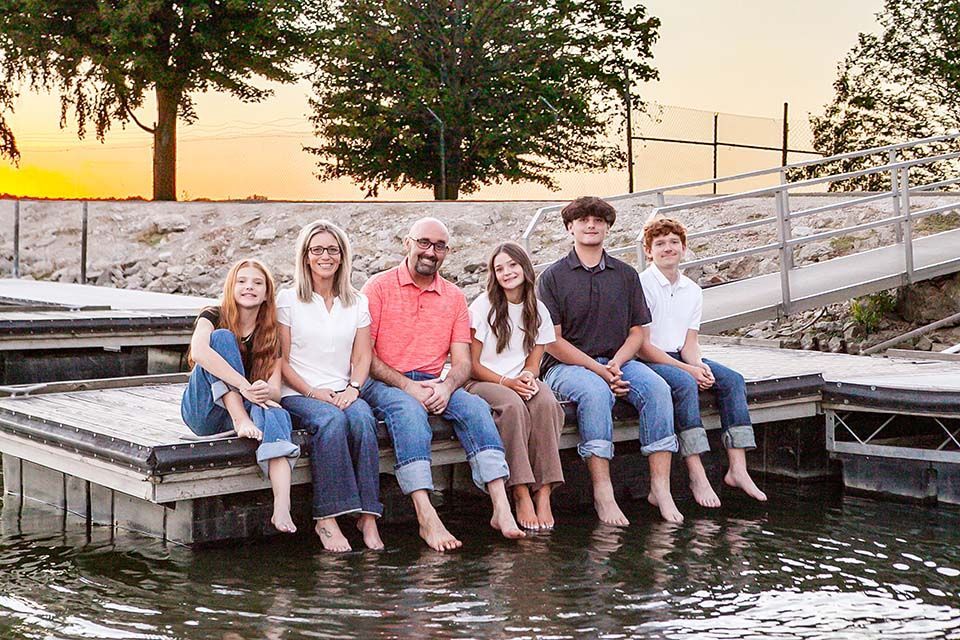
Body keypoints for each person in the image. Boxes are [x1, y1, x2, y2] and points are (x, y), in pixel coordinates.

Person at [361, 217, 524, 551]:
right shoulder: (377, 288)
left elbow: (462, 363)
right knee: (409, 413)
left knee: (476, 408)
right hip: (383, 382)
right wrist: (408, 387)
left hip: (435, 381)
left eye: (439, 246)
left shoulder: (453, 296)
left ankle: (501, 506)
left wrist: (446, 388)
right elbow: (366, 356)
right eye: (423, 243)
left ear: (447, 252)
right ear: (407, 243)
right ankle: (426, 516)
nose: (430, 252)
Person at [537, 196, 683, 525]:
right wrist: (600, 371)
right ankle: (603, 492)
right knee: (596, 393)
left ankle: (660, 488)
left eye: (598, 221)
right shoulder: (553, 277)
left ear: (607, 228)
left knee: (658, 389)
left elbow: (637, 332)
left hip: (618, 360)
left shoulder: (626, 274)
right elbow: (553, 341)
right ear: (570, 228)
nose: (591, 225)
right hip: (567, 366)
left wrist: (615, 363)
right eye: (583, 220)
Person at [638, 216, 767, 506]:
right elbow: (643, 346)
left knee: (732, 380)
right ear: (649, 251)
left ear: (684, 248)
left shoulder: (692, 290)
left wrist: (699, 365)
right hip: (649, 359)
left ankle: (738, 468)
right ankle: (696, 472)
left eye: (674, 242)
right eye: (660, 244)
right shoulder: (642, 286)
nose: (668, 248)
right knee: (685, 382)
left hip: (679, 355)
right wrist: (688, 370)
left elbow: (689, 342)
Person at [278, 220, 384, 552]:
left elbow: (363, 354)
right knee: (331, 420)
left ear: (342, 256)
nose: (326, 256)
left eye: (333, 250)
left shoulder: (357, 301)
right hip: (298, 392)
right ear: (306, 256)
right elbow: (280, 361)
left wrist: (354, 388)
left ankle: (368, 515)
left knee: (363, 419)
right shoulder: (288, 299)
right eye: (317, 250)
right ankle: (326, 518)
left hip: (342, 388)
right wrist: (312, 392)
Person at [180, 259, 300, 534]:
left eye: (258, 283)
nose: (249, 287)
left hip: (245, 408)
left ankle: (282, 503)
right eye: (242, 281)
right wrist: (244, 386)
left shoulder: (270, 332)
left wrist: (262, 390)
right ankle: (240, 419)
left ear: (267, 293)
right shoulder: (213, 314)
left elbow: (276, 390)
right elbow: (199, 352)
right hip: (204, 411)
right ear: (231, 287)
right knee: (221, 338)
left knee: (275, 411)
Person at [465, 241, 565, 531]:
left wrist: (528, 377)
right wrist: (507, 382)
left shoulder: (538, 309)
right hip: (482, 380)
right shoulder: (482, 307)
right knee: (511, 406)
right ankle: (520, 490)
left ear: (525, 267)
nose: (507, 272)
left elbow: (534, 363)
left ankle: (543, 491)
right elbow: (472, 365)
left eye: (512, 265)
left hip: (517, 379)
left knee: (546, 402)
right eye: (499, 269)